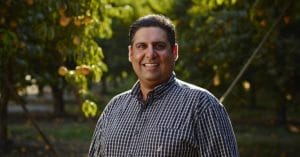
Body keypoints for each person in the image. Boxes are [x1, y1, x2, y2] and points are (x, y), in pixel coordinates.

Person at [89, 14, 239, 157]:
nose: (150, 54)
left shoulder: (202, 106)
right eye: (141, 46)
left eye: (159, 46)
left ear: (174, 52)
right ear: (130, 53)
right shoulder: (113, 108)